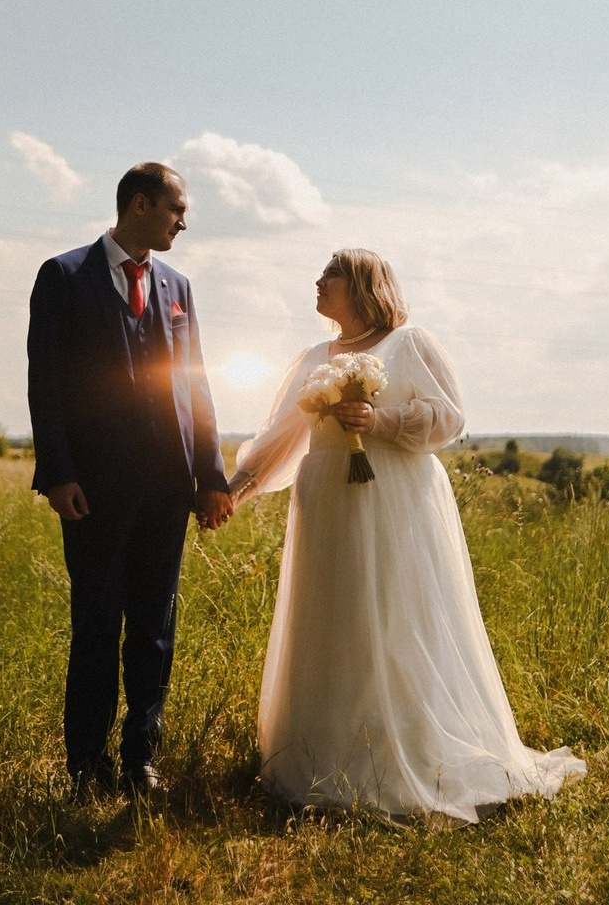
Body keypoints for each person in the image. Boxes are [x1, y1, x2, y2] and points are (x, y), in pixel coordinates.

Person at [229, 249, 585, 822]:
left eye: (331, 274)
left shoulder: (408, 343)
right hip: (325, 506)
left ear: (364, 285)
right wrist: (234, 490)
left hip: (392, 502)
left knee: (394, 618)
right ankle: (325, 754)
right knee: (331, 619)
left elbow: (449, 418)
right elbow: (279, 438)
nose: (317, 282)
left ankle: (406, 753)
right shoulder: (314, 358)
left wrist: (381, 422)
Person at [27, 162, 233, 799]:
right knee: (95, 625)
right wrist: (57, 473)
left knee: (154, 626)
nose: (183, 221)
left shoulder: (178, 287)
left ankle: (142, 758)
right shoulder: (64, 276)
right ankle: (86, 768)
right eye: (176, 209)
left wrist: (211, 475)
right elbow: (46, 384)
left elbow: (196, 384)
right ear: (140, 204)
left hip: (168, 489)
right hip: (92, 490)